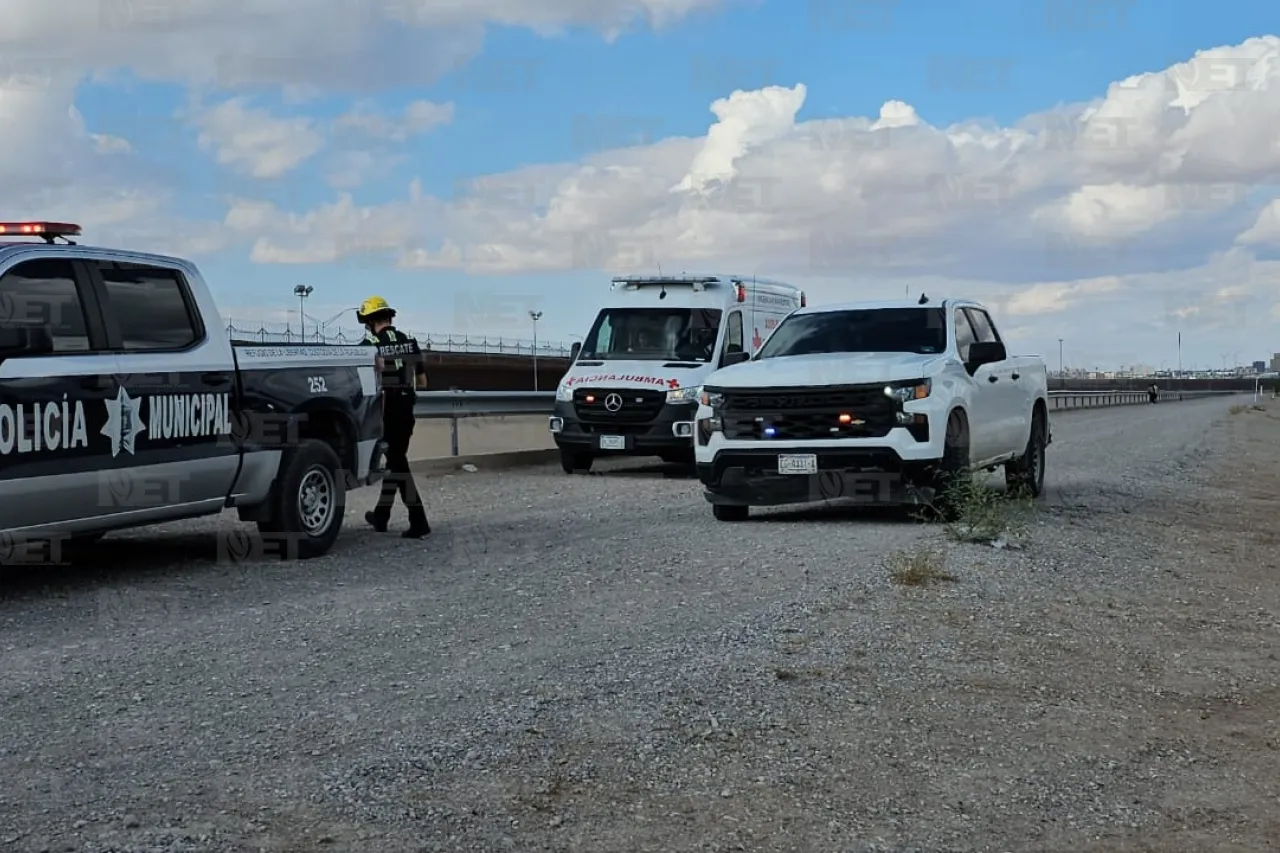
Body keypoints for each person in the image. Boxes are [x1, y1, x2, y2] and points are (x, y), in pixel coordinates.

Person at [357, 296, 431, 538]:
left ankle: (418, 519)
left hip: (386, 408)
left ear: (368, 321)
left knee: (397, 463)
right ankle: (381, 515)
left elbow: (360, 381)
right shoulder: (409, 342)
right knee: (395, 459)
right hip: (407, 406)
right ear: (389, 317)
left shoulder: (369, 344)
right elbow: (423, 381)